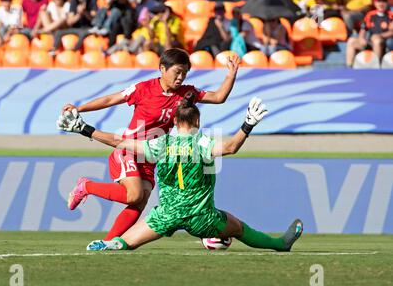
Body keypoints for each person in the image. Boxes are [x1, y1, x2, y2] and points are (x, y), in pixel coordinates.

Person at [57, 93, 304, 252]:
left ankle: (110, 244)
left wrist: (84, 129)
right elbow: (231, 147)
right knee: (239, 228)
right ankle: (280, 244)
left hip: (166, 215)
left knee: (126, 242)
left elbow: (117, 141)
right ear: (197, 122)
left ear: (174, 123)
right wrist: (248, 124)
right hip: (202, 217)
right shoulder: (203, 143)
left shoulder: (160, 144)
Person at [61, 48, 241, 241]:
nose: (180, 77)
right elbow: (111, 99)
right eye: (177, 72)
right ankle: (86, 186)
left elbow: (218, 97)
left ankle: (107, 244)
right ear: (162, 69)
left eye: (184, 73)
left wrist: (231, 75)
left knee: (140, 202)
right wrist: (79, 108)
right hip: (128, 150)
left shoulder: (186, 93)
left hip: (150, 156)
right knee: (134, 195)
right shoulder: (143, 89)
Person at [346, 0, 393, 67]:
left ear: (387, 3)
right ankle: (349, 68)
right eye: (378, 1)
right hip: (370, 41)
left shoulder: (390, 15)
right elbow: (364, 29)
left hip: (384, 42)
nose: (381, 4)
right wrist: (361, 38)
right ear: (375, 3)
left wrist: (380, 36)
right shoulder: (370, 14)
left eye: (383, 1)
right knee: (351, 41)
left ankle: (376, 67)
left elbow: (392, 32)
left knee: (377, 41)